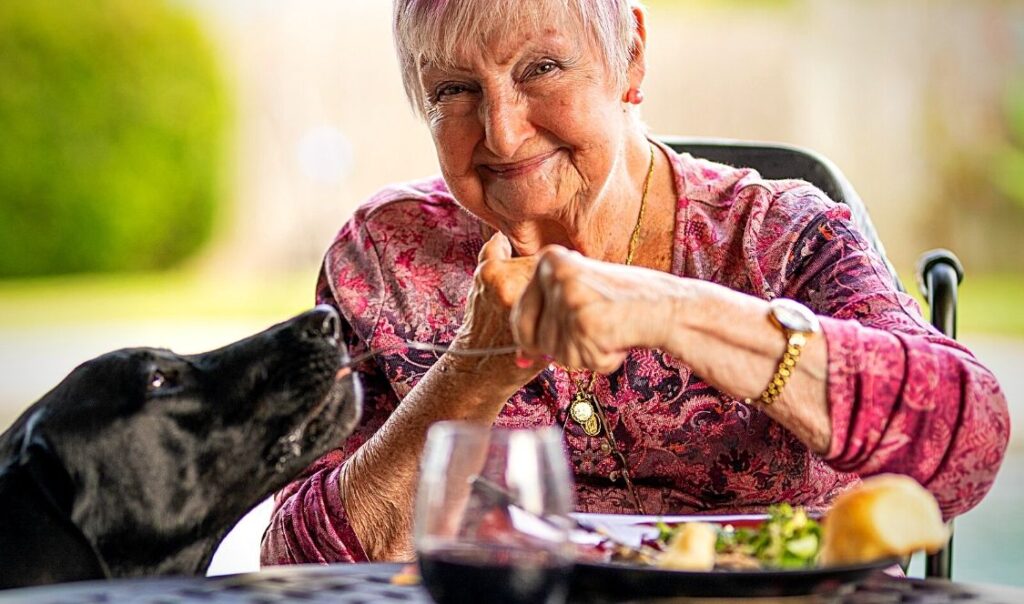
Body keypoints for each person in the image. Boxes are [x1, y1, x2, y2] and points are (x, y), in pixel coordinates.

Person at [261, 0, 1009, 565]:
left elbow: (968, 438)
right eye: (455, 91)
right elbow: (296, 567)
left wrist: (671, 310)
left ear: (632, 58)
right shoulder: (387, 256)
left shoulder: (777, 238)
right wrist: (474, 367)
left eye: (541, 69)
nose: (503, 132)